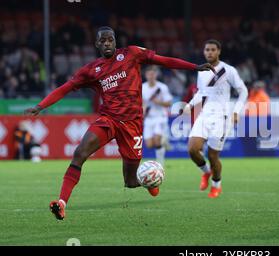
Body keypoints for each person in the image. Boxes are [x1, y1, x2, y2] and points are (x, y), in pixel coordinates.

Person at [24, 26, 214, 220]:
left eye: (110, 40)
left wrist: (194, 67)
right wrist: (41, 106)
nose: (107, 43)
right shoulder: (91, 70)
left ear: (115, 41)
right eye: (103, 41)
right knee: (80, 153)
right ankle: (62, 203)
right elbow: (65, 88)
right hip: (109, 120)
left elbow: (163, 60)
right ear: (97, 44)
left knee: (130, 182)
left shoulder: (131, 54)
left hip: (132, 125)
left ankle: (151, 182)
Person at [181, 39, 248, 198]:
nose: (209, 52)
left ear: (219, 51)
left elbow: (243, 91)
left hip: (222, 118)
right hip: (205, 114)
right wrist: (190, 105)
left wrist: (237, 111)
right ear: (204, 52)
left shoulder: (228, 70)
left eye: (212, 50)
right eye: (207, 50)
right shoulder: (202, 71)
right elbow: (201, 93)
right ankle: (206, 172)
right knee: (192, 149)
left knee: (212, 156)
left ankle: (216, 184)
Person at [142, 65, 172, 166]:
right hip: (149, 119)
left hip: (160, 117)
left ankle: (160, 164)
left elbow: (168, 103)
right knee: (149, 145)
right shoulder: (142, 87)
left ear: (156, 75)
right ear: (146, 75)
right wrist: (143, 108)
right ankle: (164, 141)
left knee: (157, 141)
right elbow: (141, 102)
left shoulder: (162, 87)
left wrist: (158, 101)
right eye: (149, 74)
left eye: (153, 74)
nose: (151, 76)